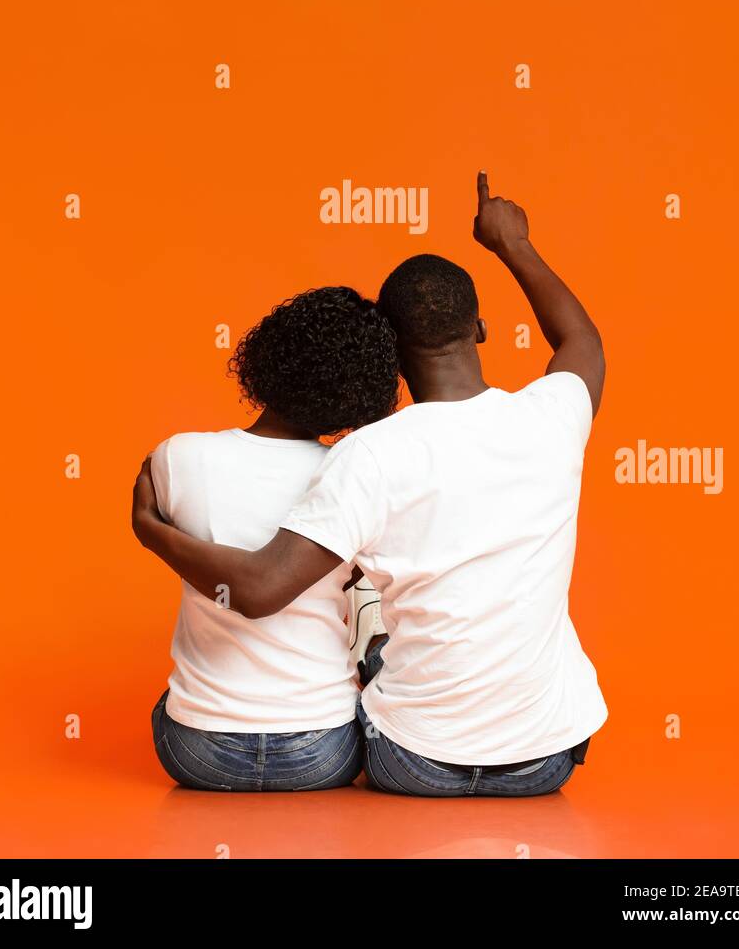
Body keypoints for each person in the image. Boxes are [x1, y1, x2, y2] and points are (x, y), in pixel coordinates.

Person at [134, 173, 607, 797]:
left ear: (392, 352)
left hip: (417, 767)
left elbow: (258, 589)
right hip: (543, 762)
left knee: (371, 636)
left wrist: (152, 532)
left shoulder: (367, 455)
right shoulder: (555, 414)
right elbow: (581, 340)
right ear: (481, 330)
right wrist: (511, 242)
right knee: (373, 621)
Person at [142, 285, 399, 793]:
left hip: (196, 752)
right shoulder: (355, 476)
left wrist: (151, 533)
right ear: (362, 394)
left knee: (168, 702)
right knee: (364, 605)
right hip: (325, 752)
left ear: (268, 356)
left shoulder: (178, 457)